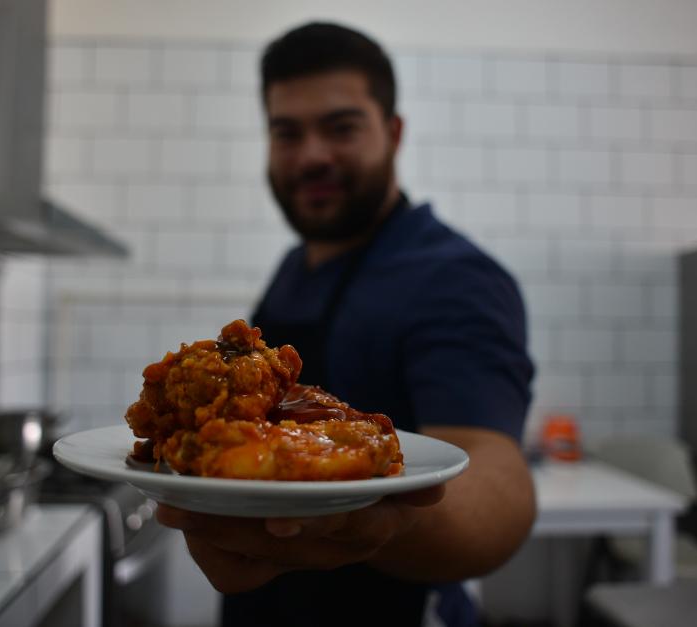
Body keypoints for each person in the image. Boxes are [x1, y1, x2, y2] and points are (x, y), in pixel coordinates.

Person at [155, 22, 536, 627]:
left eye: (341, 127)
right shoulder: (295, 266)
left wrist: (365, 516)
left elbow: (496, 479)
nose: (312, 156)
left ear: (394, 132)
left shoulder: (456, 277)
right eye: (287, 133)